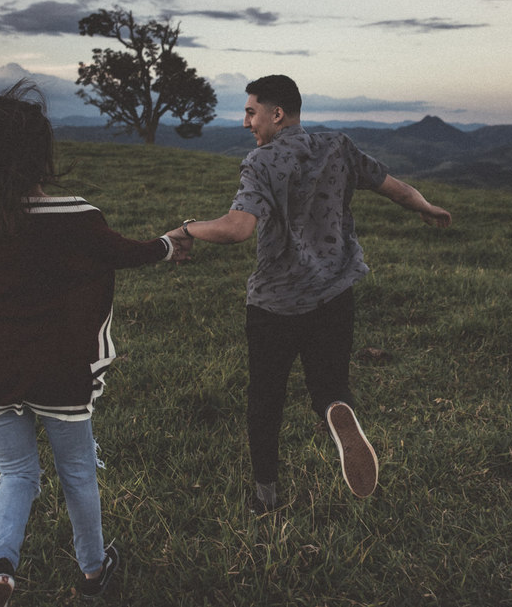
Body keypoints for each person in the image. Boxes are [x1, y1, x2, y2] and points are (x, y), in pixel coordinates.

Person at [0, 80, 190, 606]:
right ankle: (92, 572)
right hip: (58, 368)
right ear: (41, 156)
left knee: (16, 474)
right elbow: (126, 253)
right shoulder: (77, 216)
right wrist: (172, 244)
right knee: (77, 474)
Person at [172, 74, 451, 513]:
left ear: (276, 114)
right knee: (329, 385)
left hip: (275, 303)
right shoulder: (337, 146)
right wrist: (426, 206)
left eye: (251, 112)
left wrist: (185, 228)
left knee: (266, 399)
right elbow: (393, 187)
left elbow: (237, 228)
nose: (246, 123)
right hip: (334, 293)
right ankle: (336, 410)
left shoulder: (260, 162)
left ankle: (266, 497)